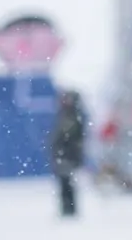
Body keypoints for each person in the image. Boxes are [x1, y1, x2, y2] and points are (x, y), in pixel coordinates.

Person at [49, 90, 86, 218]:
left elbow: (66, 136)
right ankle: (68, 208)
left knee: (66, 183)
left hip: (67, 155)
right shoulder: (68, 114)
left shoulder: (71, 116)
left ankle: (68, 209)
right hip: (66, 155)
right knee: (65, 183)